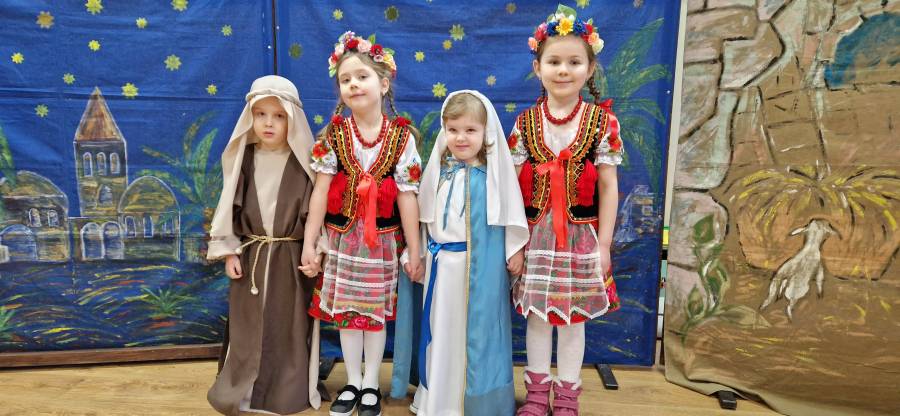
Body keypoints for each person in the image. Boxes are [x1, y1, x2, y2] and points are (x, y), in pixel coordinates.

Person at [300, 31, 424, 416]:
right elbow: (320, 192)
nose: (353, 84)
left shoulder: (401, 138)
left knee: (373, 315)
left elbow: (407, 196)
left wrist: (415, 249)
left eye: (362, 76)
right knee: (348, 315)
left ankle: (372, 382)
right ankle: (353, 381)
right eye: (345, 79)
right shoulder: (333, 136)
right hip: (342, 239)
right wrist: (310, 242)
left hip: (381, 241)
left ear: (383, 84)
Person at [509, 5, 624, 415]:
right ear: (537, 68)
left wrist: (604, 244)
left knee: (574, 320)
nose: (563, 70)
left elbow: (608, 186)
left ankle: (568, 398)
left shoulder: (602, 122)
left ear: (589, 69)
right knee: (538, 318)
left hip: (580, 237)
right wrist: (514, 242)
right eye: (553, 61)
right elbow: (510, 190)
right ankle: (537, 396)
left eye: (574, 62)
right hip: (536, 236)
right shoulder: (525, 124)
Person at [206, 75, 321, 415]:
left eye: (279, 116)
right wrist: (229, 250)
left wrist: (316, 251)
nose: (269, 123)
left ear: (292, 119)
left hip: (291, 258)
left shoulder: (306, 164)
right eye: (261, 114)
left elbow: (319, 212)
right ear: (251, 117)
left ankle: (283, 392)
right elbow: (228, 206)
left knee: (288, 327)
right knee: (248, 327)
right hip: (252, 256)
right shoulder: (244, 158)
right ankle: (242, 391)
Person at [412, 90, 529, 415]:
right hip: (441, 269)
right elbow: (425, 218)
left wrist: (514, 249)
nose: (460, 138)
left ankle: (474, 404)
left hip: (478, 270)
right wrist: (419, 253)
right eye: (453, 130)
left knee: (474, 336)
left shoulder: (492, 178)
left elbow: (510, 215)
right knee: (442, 332)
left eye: (470, 130)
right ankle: (439, 400)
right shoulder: (439, 173)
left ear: (485, 132)